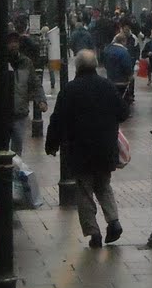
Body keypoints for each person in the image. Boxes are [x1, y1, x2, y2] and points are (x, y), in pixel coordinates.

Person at [44, 49, 128, 248]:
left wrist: (52, 144)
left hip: (80, 149)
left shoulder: (70, 89)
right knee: (104, 185)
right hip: (105, 148)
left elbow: (58, 120)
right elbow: (123, 113)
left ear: (78, 66)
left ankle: (93, 232)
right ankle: (113, 221)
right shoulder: (107, 86)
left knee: (84, 190)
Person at [7, 32, 44, 156]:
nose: (13, 45)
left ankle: (15, 174)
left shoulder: (26, 62)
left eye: (15, 42)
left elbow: (35, 82)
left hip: (19, 112)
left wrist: (41, 100)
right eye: (10, 42)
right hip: (2, 113)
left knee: (17, 149)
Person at [103, 33, 135, 115]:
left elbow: (105, 63)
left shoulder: (107, 50)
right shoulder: (124, 52)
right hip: (122, 79)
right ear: (124, 41)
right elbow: (127, 66)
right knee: (124, 96)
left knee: (113, 95)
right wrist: (130, 75)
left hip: (111, 77)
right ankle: (124, 112)